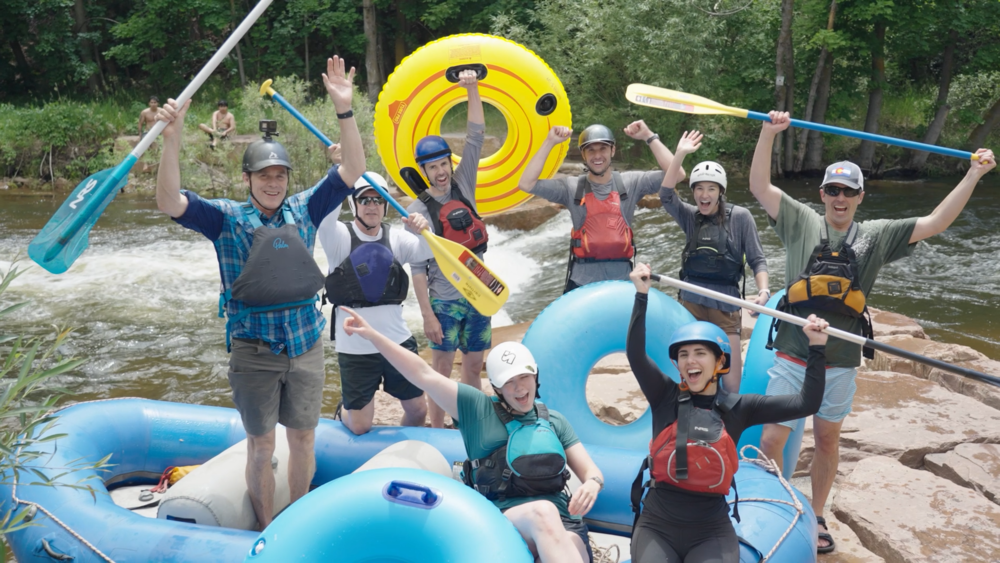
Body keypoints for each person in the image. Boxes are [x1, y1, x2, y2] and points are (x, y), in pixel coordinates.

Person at [748, 110, 996, 553]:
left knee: (826, 438)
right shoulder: (801, 220)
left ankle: (818, 515)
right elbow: (759, 188)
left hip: (841, 358)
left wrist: (974, 174)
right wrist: (768, 134)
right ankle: (770, 507)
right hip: (792, 352)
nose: (840, 198)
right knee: (772, 436)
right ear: (823, 193)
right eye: (833, 190)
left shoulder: (877, 236)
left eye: (849, 192)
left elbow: (937, 222)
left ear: (861, 197)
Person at [154, 56, 364, 529]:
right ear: (248, 179)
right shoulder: (224, 218)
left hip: (306, 343)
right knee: (263, 445)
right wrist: (172, 138)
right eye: (264, 176)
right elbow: (169, 200)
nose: (273, 182)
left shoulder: (305, 208)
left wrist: (344, 110)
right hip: (254, 350)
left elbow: (353, 168)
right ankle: (270, 527)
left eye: (280, 175)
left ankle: (298, 522)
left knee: (305, 439)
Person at [340, 305, 605, 563]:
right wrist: (372, 335)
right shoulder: (475, 408)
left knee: (560, 539)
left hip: (564, 524)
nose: (519, 389)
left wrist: (593, 483)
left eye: (524, 378)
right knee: (543, 513)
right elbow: (422, 374)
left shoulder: (554, 421)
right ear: (498, 389)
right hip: (502, 520)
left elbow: (591, 472)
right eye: (508, 383)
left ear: (535, 376)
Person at [626, 262, 826, 563]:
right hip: (658, 525)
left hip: (710, 529)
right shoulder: (664, 396)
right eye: (683, 355)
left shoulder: (740, 408)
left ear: (720, 362)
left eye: (699, 353)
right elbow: (635, 355)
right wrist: (641, 295)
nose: (690, 361)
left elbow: (805, 404)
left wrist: (817, 347)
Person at [407, 69, 493, 428]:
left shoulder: (464, 184)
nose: (441, 172)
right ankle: (438, 429)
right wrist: (427, 315)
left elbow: (476, 135)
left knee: (474, 365)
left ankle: (469, 424)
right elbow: (416, 270)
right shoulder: (414, 211)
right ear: (424, 171)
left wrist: (472, 87)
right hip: (443, 301)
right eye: (433, 167)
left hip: (479, 293)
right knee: (441, 368)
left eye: (444, 164)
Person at [318, 172, 433, 435]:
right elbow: (325, 217)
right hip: (356, 347)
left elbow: (426, 252)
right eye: (365, 200)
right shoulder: (338, 237)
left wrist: (424, 230)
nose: (372, 206)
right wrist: (340, 173)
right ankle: (344, 409)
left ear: (385, 205)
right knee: (360, 426)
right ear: (354, 204)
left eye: (377, 200)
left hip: (397, 341)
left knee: (418, 411)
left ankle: (401, 448)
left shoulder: (397, 238)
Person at [659, 130, 769, 392]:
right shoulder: (689, 216)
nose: (704, 194)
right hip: (691, 303)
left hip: (726, 306)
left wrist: (763, 290)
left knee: (730, 384)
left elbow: (757, 259)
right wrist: (680, 154)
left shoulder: (740, 217)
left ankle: (725, 429)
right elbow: (665, 195)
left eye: (711, 189)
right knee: (692, 377)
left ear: (721, 192)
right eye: (699, 188)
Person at [517, 119, 682, 293]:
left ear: (612, 150)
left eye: (603, 148)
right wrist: (549, 141)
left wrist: (649, 136)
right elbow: (526, 184)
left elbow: (677, 174)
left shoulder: (632, 182)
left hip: (622, 283)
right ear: (583, 155)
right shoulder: (570, 187)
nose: (597, 155)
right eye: (591, 150)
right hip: (581, 283)